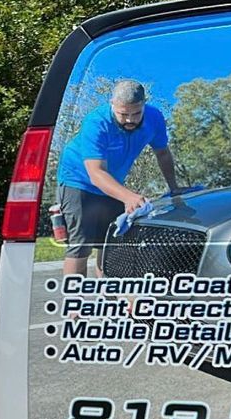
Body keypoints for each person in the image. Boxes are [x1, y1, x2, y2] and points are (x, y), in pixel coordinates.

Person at [56, 79, 179, 277]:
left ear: (144, 105)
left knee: (110, 245)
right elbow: (96, 174)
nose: (130, 120)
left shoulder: (154, 117)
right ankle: (75, 307)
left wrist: (174, 188)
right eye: (123, 114)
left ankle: (109, 301)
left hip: (112, 183)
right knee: (81, 246)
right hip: (78, 181)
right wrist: (129, 197)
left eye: (136, 113)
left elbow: (163, 153)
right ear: (112, 103)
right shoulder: (96, 123)